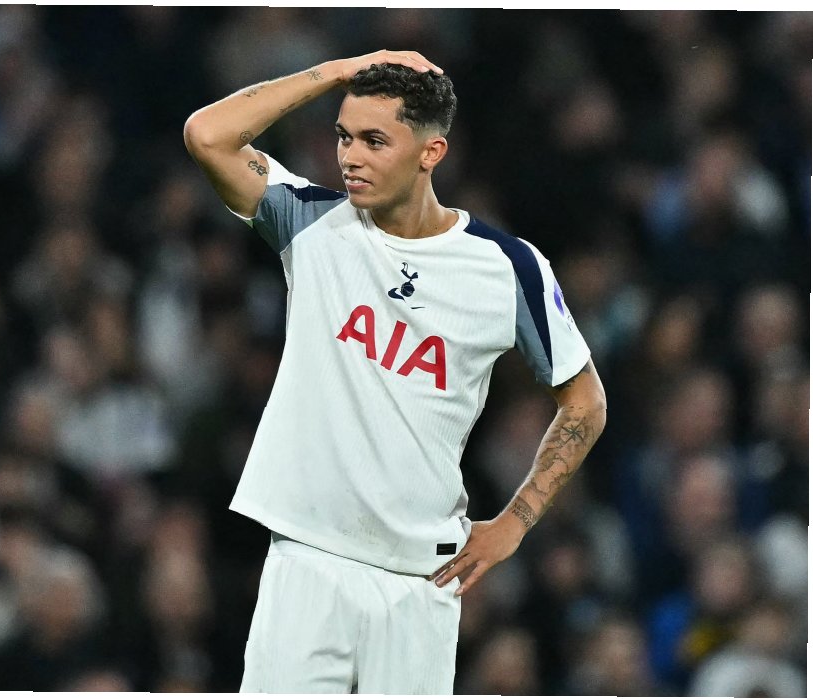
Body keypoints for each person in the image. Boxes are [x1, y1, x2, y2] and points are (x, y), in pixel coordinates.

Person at [183, 49, 607, 693]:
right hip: (309, 558)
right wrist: (338, 71)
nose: (350, 157)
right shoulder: (311, 221)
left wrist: (516, 522)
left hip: (420, 583)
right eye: (344, 137)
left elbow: (585, 402)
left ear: (431, 152)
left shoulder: (507, 268)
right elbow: (207, 135)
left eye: (374, 141)